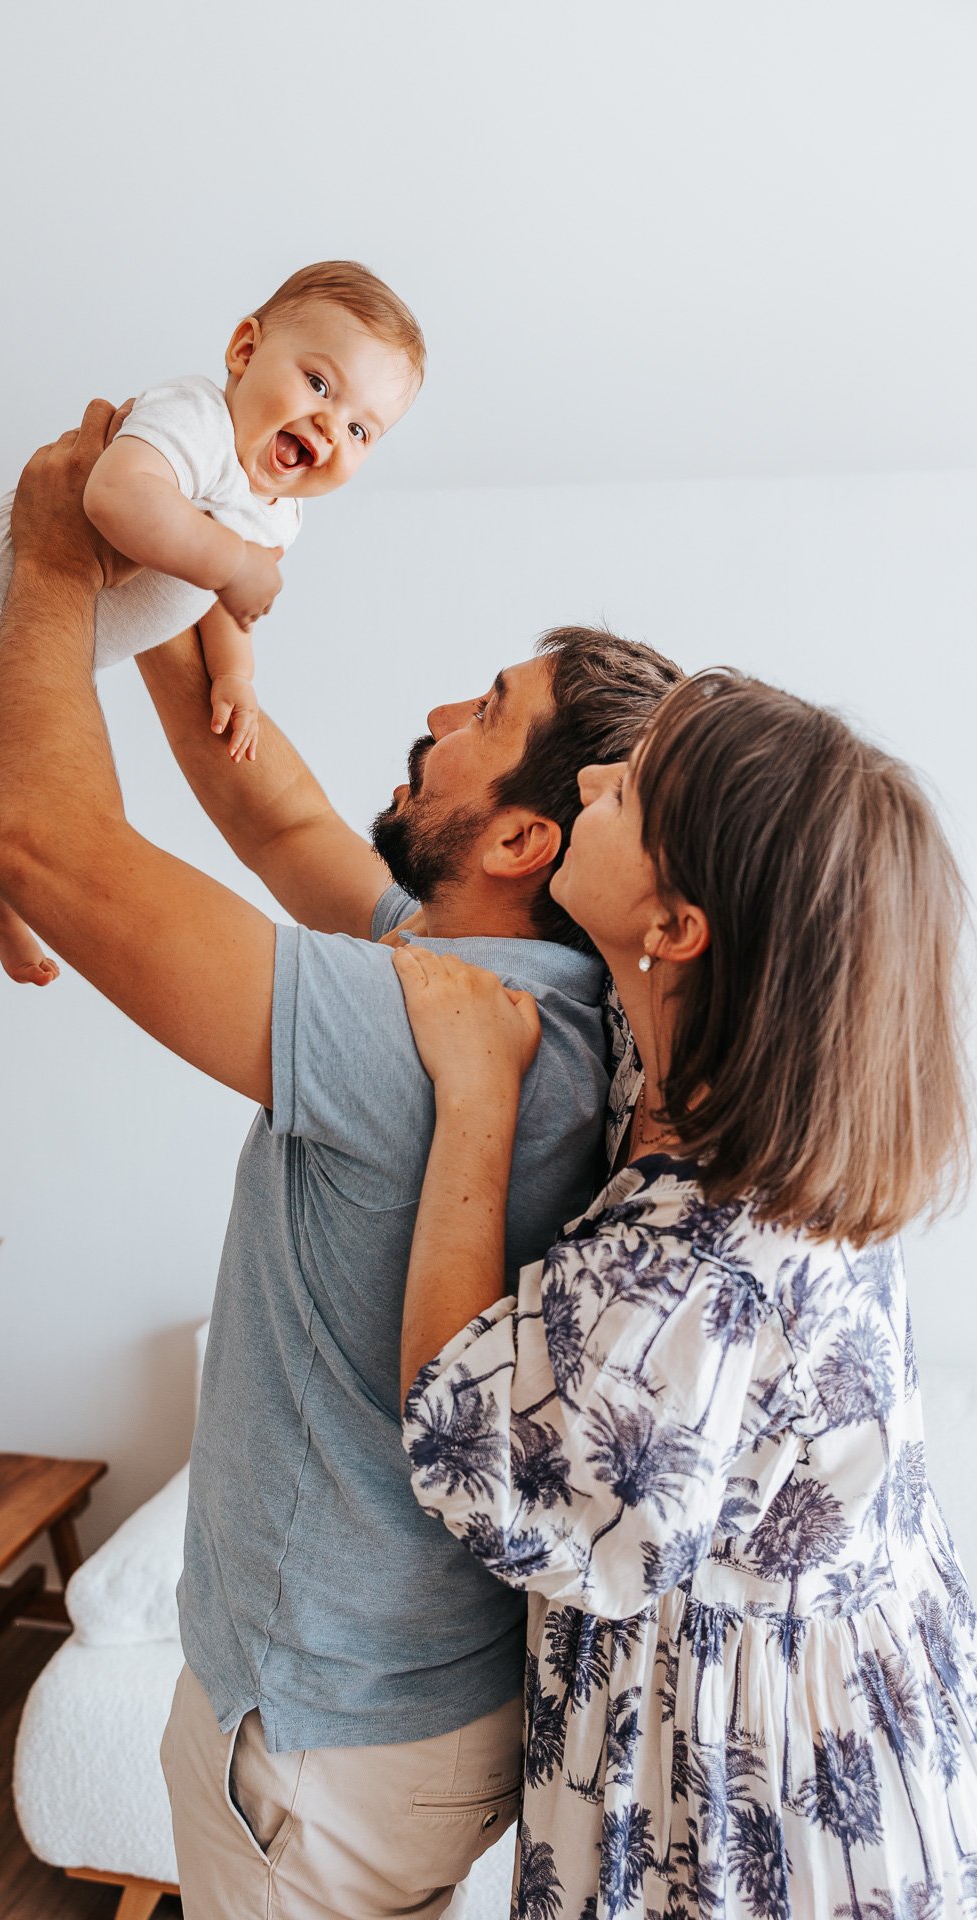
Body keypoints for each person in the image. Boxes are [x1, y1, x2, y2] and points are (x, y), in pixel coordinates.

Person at [0, 400, 682, 1918]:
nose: (436, 714)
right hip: (390, 1712)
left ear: (518, 844)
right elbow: (269, 805)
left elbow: (39, 842)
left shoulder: (446, 1027)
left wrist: (45, 548)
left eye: (484, 712)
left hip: (318, 1744)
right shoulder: (497, 991)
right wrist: (147, 549)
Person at [394, 671, 977, 1919]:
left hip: (750, 1804)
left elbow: (463, 1436)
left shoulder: (697, 1253)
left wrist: (476, 1100)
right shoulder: (720, 1082)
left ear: (674, 926)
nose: (591, 778)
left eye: (629, 788)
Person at [0, 261, 423, 984]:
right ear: (245, 350)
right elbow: (116, 497)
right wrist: (232, 563)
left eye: (361, 428)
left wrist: (236, 673)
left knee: (44, 797)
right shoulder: (194, 419)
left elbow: (222, 602)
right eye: (319, 384)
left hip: (51, 648)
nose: (330, 425)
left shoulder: (280, 512)